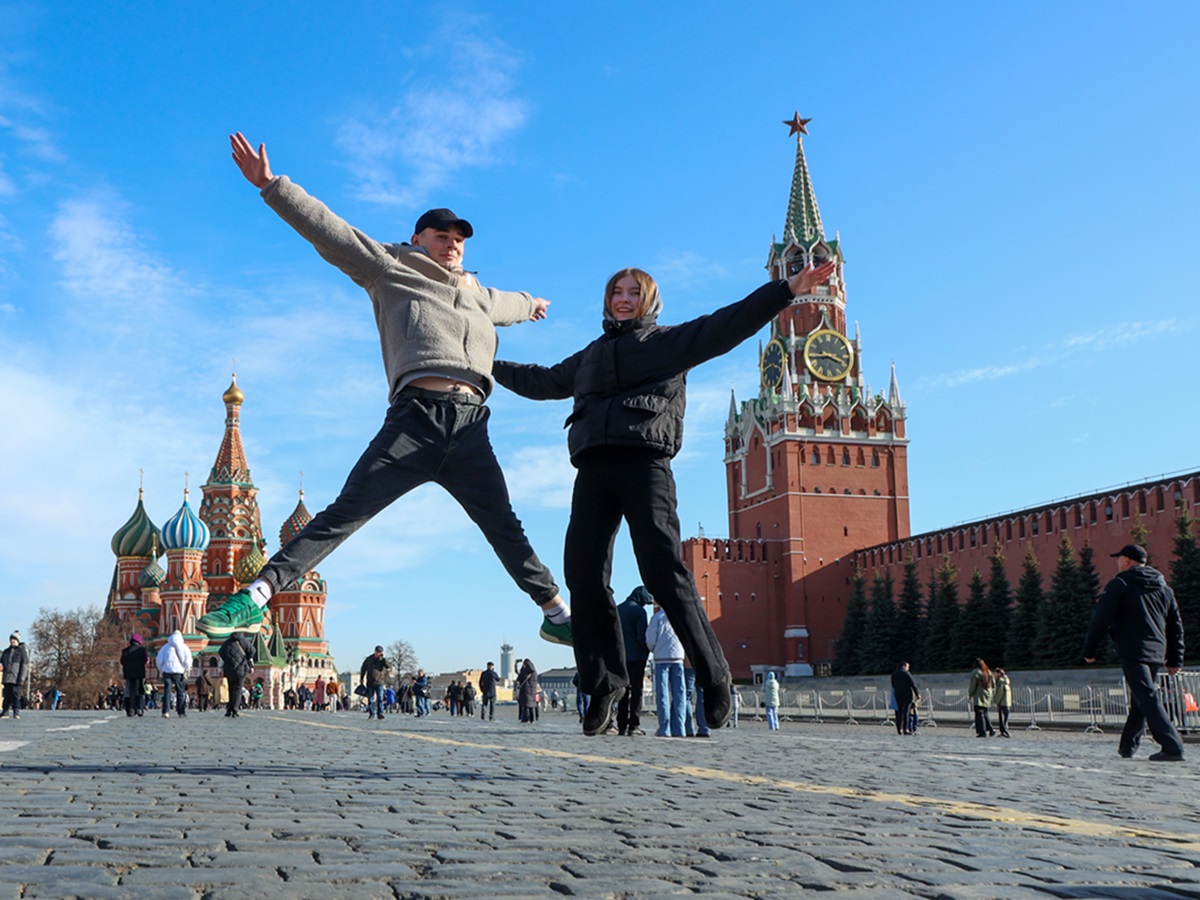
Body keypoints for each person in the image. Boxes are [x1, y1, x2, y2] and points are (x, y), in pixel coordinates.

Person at [199, 133, 572, 651]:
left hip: (470, 428)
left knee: (505, 527)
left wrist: (532, 304)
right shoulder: (392, 269)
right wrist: (271, 186)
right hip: (414, 419)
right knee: (344, 514)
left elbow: (511, 302)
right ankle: (256, 594)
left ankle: (555, 612)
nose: (452, 242)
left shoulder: (479, 295)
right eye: (440, 234)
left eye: (458, 236)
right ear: (418, 240)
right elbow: (332, 233)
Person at [494, 261, 836, 736]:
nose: (624, 298)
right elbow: (543, 381)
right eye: (617, 290)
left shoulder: (667, 344)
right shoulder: (590, 356)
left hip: (645, 464)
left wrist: (784, 291)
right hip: (593, 467)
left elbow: (726, 325)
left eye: (634, 292)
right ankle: (605, 684)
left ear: (648, 301)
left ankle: (715, 677)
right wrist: (483, 363)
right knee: (583, 574)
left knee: (660, 568)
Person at [1084, 543, 1186, 761]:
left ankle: (1172, 746)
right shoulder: (1164, 589)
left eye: (1119, 558)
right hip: (1157, 652)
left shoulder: (1119, 584)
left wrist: (1089, 650)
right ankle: (1127, 747)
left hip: (1132, 649)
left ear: (1127, 560)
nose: (1117, 562)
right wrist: (1175, 657)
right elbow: (1175, 625)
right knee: (1141, 698)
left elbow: (1101, 618)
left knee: (1147, 696)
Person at [616, 586, 652, 736]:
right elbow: (641, 636)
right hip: (637, 657)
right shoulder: (639, 612)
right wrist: (647, 651)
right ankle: (634, 725)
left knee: (623, 691)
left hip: (620, 657)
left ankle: (621, 724)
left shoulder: (618, 609)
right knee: (636, 692)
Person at [646, 602, 685, 737]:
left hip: (661, 658)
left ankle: (664, 728)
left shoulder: (657, 618)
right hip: (678, 657)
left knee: (662, 695)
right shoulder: (680, 616)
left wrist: (655, 649)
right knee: (680, 694)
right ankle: (680, 728)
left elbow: (650, 639)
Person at [219, 632, 256, 718]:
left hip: (229, 669)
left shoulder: (227, 643)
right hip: (241, 669)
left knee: (230, 689)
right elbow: (252, 651)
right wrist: (250, 664)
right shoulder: (244, 641)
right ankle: (235, 709)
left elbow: (221, 654)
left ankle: (229, 709)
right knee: (238, 690)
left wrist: (225, 664)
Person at [156, 630, 192, 718]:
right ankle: (181, 712)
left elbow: (159, 660)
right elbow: (188, 660)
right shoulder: (184, 647)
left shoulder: (165, 647)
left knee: (167, 692)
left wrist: (161, 669)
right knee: (180, 692)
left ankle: (166, 711)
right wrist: (186, 669)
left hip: (167, 671)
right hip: (179, 672)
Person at [0, 632, 29, 718]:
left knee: (16, 695)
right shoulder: (6, 652)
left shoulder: (22, 652)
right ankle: (5, 711)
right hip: (7, 678)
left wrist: (21, 678)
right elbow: (1, 663)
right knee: (6, 695)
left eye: (14, 639)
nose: (12, 641)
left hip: (16, 678)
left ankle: (16, 712)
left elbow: (24, 666)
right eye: (11, 639)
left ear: (17, 640)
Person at [119, 634, 148, 718]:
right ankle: (139, 709)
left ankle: (130, 709)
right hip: (139, 673)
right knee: (140, 690)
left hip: (128, 674)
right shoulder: (142, 650)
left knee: (130, 691)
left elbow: (122, 661)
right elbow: (145, 660)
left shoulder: (125, 651)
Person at [360, 646, 391, 720]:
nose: (378, 653)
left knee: (380, 698)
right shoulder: (369, 659)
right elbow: (363, 668)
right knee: (370, 699)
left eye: (380, 652)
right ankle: (371, 714)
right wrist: (361, 678)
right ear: (375, 651)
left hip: (380, 682)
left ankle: (380, 713)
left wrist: (383, 659)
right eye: (377, 652)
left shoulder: (382, 660)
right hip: (370, 682)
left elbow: (388, 666)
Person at [968, 658, 996, 737]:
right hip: (988, 693)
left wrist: (970, 693)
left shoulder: (976, 672)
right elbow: (993, 684)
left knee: (979, 713)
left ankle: (982, 731)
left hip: (979, 693)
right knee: (985, 712)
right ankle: (991, 729)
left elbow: (973, 684)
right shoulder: (988, 672)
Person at [890, 661, 920, 736]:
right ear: (904, 666)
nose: (908, 668)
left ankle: (899, 729)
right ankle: (905, 729)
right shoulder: (906, 673)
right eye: (907, 667)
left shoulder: (894, 674)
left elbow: (893, 685)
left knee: (899, 711)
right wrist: (917, 694)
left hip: (897, 694)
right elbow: (913, 684)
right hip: (907, 694)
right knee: (906, 711)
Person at [516, 658, 539, 724]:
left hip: (526, 690)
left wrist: (518, 667)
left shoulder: (526, 672)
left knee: (526, 706)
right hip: (532, 691)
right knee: (531, 706)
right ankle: (532, 719)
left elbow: (520, 678)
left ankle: (526, 719)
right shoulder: (534, 673)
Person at [993, 668, 1012, 738]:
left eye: (995, 673)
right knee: (1005, 719)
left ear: (999, 674)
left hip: (1002, 703)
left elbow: (999, 694)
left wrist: (995, 702)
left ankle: (1004, 732)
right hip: (1007, 703)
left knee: (1001, 720)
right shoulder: (1007, 682)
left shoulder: (1000, 683)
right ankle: (1005, 731)